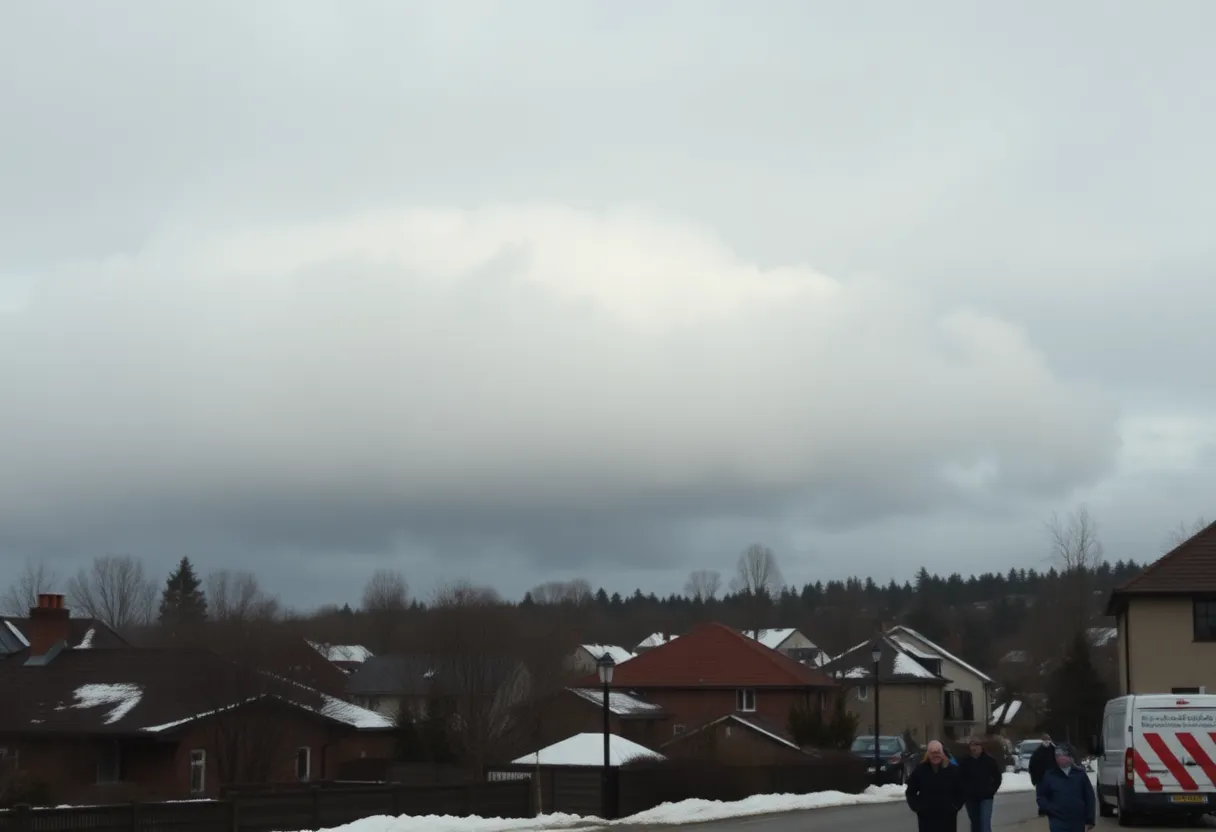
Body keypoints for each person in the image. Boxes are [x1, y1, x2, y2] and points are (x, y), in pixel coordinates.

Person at [906, 740, 965, 832]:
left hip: (948, 817)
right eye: (932, 753)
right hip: (926, 818)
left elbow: (962, 791)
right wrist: (918, 807)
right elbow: (910, 791)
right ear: (928, 754)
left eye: (938, 752)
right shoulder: (920, 770)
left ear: (942, 753)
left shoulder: (953, 770)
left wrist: (955, 806)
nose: (935, 755)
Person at [1035, 745, 1096, 832]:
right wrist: (1049, 808)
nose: (1060, 757)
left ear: (1070, 757)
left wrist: (1090, 819)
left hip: (1077, 821)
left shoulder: (1080, 775)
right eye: (1057, 755)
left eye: (1063, 754)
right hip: (1057, 820)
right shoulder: (1050, 775)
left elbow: (1089, 797)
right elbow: (1041, 795)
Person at [960, 738, 1003, 832]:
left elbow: (997, 778)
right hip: (971, 798)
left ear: (982, 747)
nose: (975, 748)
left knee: (985, 822)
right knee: (975, 822)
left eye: (977, 745)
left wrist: (991, 790)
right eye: (972, 745)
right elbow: (960, 778)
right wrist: (965, 791)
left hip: (986, 797)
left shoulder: (990, 761)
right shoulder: (964, 761)